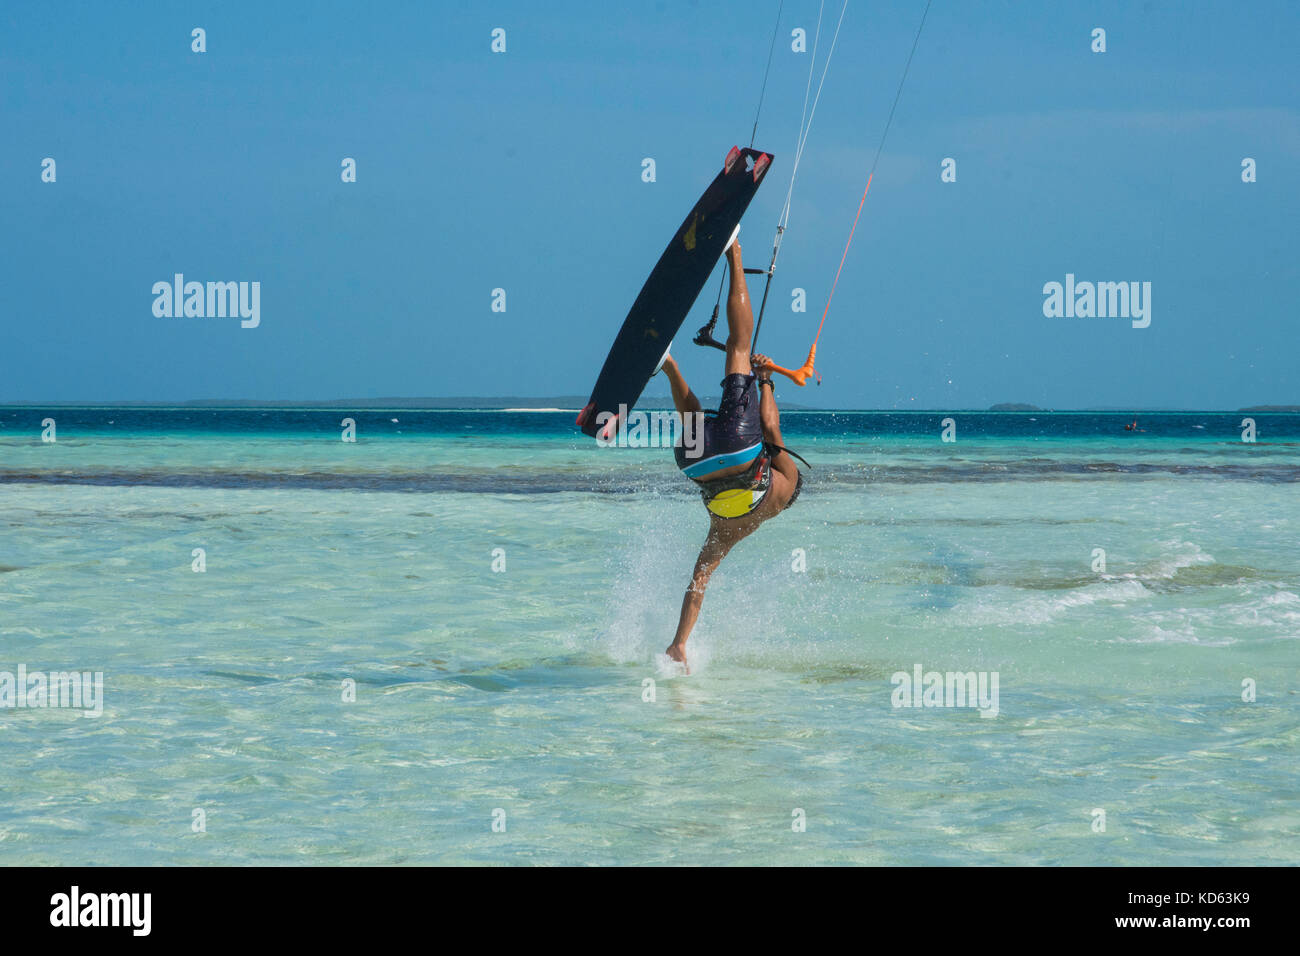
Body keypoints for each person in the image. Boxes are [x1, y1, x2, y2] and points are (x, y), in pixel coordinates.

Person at [656, 232, 806, 669]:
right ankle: (667, 364)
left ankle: (734, 250)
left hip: (740, 451)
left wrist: (765, 380)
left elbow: (773, 429)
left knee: (739, 347)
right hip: (698, 465)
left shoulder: (788, 479)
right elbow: (697, 581)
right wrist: (680, 640)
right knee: (694, 426)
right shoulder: (734, 531)